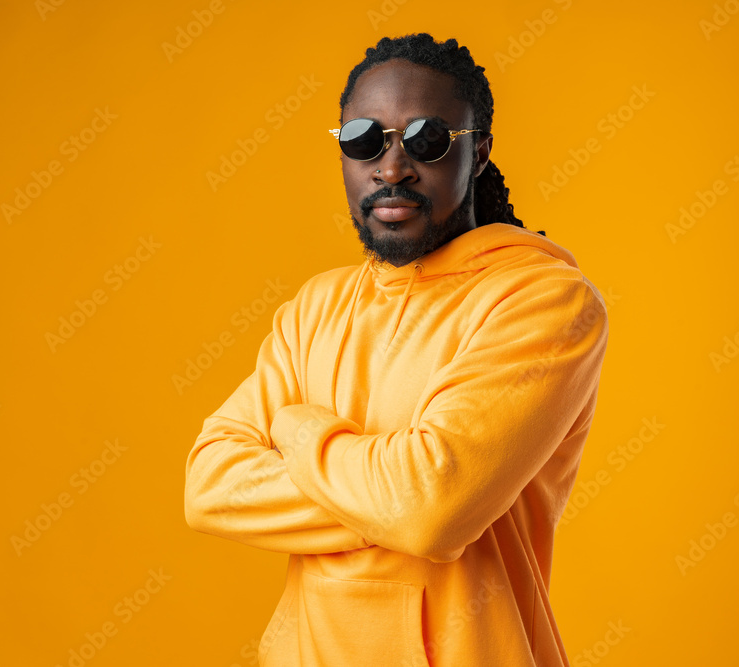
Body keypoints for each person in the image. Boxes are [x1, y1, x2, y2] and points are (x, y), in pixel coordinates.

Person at [184, 32, 610, 667]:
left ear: (480, 153)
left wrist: (299, 431)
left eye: (427, 139)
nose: (391, 167)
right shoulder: (315, 308)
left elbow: (431, 512)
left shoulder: (543, 302)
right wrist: (395, 498)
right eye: (364, 139)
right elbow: (210, 485)